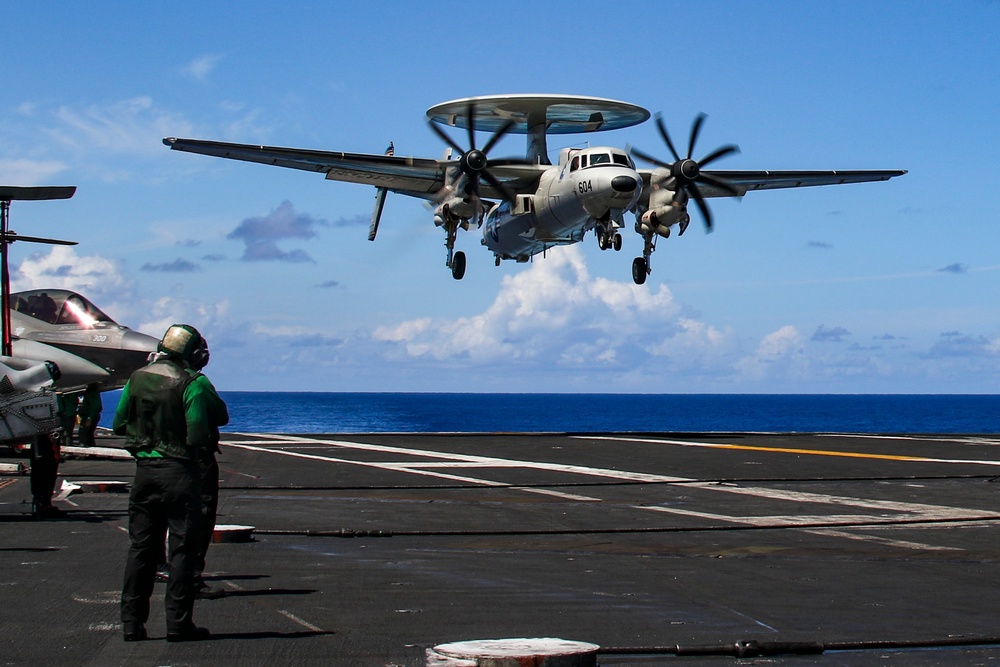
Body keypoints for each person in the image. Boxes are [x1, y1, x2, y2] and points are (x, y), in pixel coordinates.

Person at [115, 324, 224, 642]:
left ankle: (132, 623)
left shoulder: (137, 378)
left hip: (145, 473)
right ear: (194, 353)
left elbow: (120, 422)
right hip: (179, 472)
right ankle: (178, 623)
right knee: (182, 550)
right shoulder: (192, 382)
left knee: (141, 548)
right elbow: (197, 434)